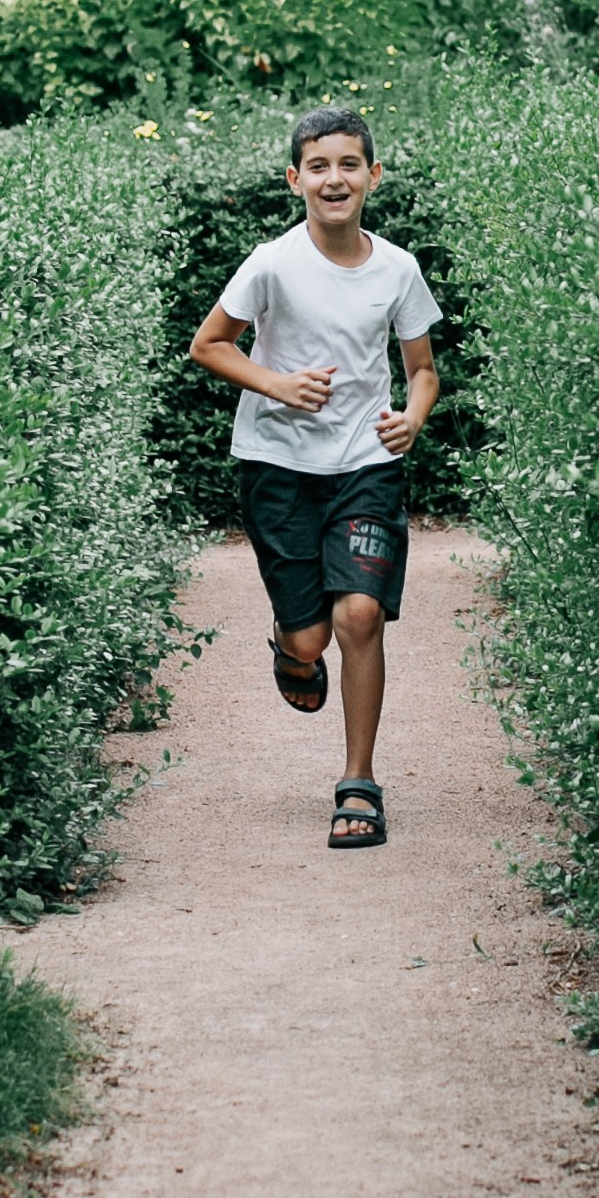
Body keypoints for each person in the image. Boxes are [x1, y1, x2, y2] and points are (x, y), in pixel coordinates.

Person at [187, 103, 441, 851]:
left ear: (372, 175)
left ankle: (358, 784)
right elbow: (209, 346)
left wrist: (413, 418)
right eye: (319, 166)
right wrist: (278, 385)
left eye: (349, 164)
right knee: (309, 639)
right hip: (277, 466)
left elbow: (422, 372)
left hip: (366, 462)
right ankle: (287, 644)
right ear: (295, 179)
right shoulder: (271, 261)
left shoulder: (398, 268)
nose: (336, 178)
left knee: (358, 615)